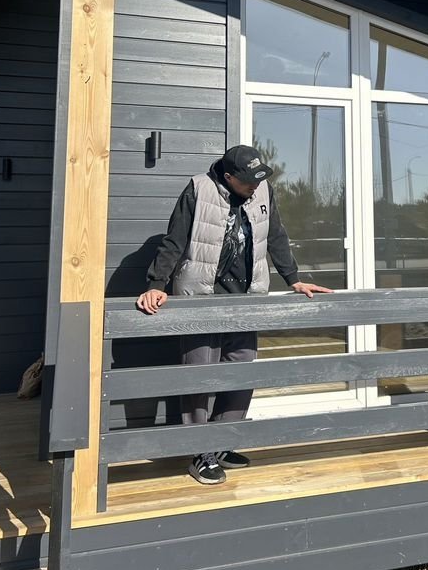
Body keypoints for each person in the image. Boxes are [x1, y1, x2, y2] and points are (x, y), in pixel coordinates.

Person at [136, 144, 331, 485]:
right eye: (248, 181)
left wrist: (294, 279)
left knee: (241, 373)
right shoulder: (199, 189)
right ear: (228, 177)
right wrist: (156, 284)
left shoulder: (263, 190)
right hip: (202, 299)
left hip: (245, 301)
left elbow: (276, 235)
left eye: (258, 179)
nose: (255, 186)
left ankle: (221, 443)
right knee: (199, 377)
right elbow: (174, 240)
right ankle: (200, 452)